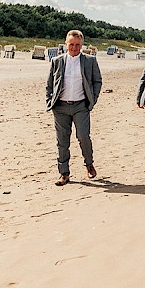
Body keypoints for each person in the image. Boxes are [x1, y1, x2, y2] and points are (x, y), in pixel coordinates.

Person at [45, 30, 103, 186]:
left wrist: (92, 100)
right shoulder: (57, 61)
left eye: (77, 45)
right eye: (71, 44)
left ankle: (89, 163)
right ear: (66, 44)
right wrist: (50, 102)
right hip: (60, 107)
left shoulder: (90, 61)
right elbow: (49, 84)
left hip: (81, 106)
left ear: (82, 45)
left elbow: (97, 81)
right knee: (62, 142)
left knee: (83, 136)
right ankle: (64, 174)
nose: (74, 48)